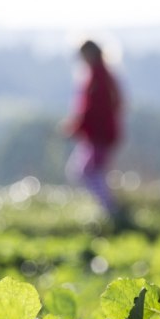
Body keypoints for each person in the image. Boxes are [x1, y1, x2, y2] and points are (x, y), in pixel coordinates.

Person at [64, 40, 125, 221]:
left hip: (99, 134)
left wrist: (76, 126)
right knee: (91, 171)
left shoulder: (97, 77)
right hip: (101, 133)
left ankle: (109, 210)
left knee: (87, 171)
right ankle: (108, 209)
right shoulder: (104, 74)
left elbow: (90, 109)